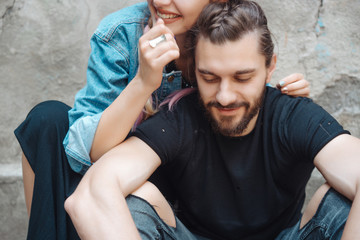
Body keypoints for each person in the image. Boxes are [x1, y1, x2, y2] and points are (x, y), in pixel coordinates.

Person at [14, 0, 310, 239]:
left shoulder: (231, 31)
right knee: (46, 120)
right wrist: (143, 82)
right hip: (115, 174)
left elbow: (235, 108)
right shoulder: (123, 33)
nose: (160, 2)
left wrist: (276, 95)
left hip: (181, 203)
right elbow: (83, 153)